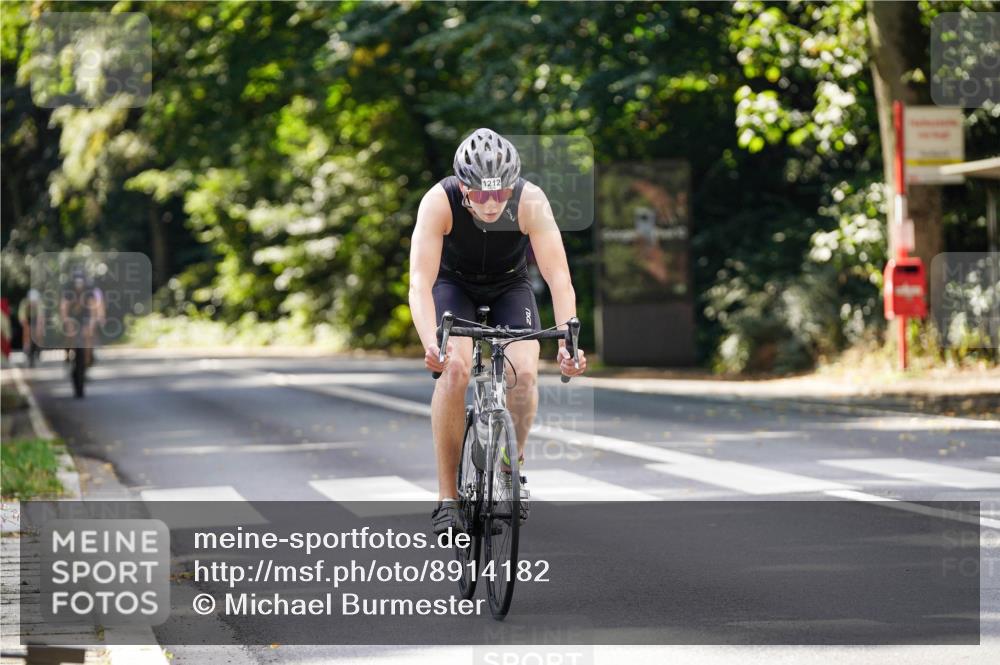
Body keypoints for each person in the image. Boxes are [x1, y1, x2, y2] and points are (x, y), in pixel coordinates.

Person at [408, 128, 588, 535]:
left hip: (510, 284)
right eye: (481, 194)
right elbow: (420, 283)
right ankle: (447, 498)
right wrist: (430, 344)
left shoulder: (530, 200)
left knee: (523, 374)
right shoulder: (439, 201)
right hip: (454, 285)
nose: (491, 204)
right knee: (453, 371)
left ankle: (511, 469)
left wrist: (568, 343)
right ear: (463, 187)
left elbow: (559, 278)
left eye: (500, 193)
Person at [59, 268, 102, 367]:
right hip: (72, 315)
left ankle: (87, 361)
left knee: (88, 335)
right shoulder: (68, 290)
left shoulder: (89, 290)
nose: (79, 285)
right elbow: (64, 308)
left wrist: (92, 323)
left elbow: (93, 309)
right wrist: (67, 322)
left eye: (81, 282)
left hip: (85, 315)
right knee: (70, 334)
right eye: (77, 282)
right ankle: (67, 353)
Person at [17, 289, 45, 366]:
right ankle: (26, 346)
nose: (33, 303)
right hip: (28, 319)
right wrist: (25, 325)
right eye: (32, 302)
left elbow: (40, 316)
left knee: (39, 332)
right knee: (26, 331)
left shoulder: (39, 303)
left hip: (36, 319)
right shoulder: (24, 303)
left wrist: (39, 328)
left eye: (34, 302)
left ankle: (39, 347)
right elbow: (21, 316)